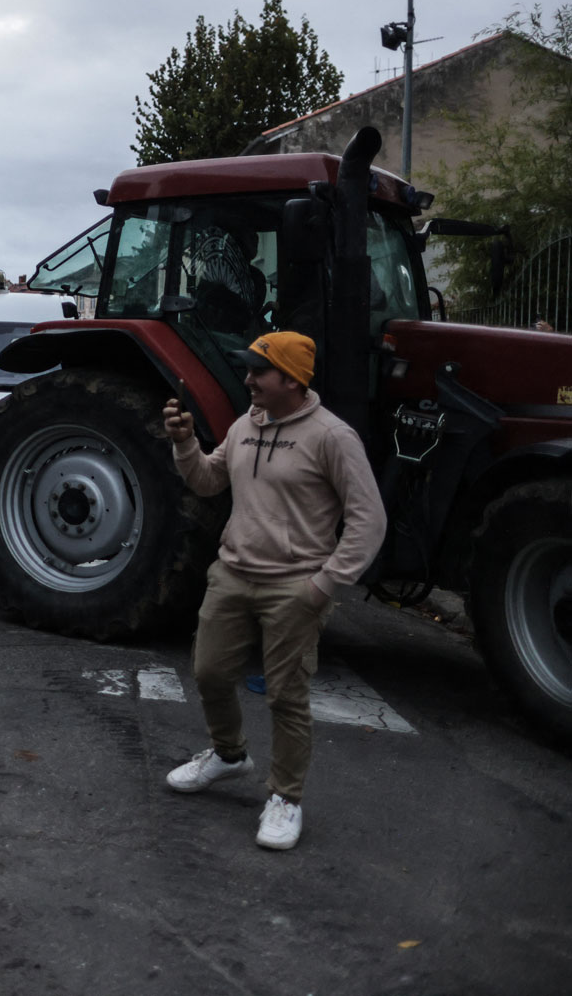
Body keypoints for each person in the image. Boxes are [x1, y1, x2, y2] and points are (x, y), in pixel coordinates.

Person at [160, 331, 385, 851]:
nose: (248, 380)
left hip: (295, 586)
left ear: (291, 378)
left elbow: (368, 521)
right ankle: (229, 755)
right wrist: (183, 442)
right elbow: (209, 481)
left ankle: (286, 798)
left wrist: (323, 585)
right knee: (209, 672)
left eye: (258, 372)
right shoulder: (245, 425)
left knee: (286, 696)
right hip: (233, 573)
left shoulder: (333, 437)